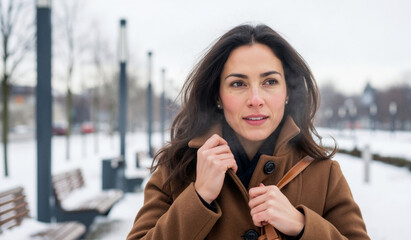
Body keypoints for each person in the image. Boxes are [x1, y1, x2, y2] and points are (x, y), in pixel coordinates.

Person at [127, 24, 369, 240]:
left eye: (270, 82)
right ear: (217, 95)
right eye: (238, 84)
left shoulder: (324, 174)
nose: (255, 99)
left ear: (287, 93)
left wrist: (301, 226)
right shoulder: (177, 167)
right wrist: (198, 198)